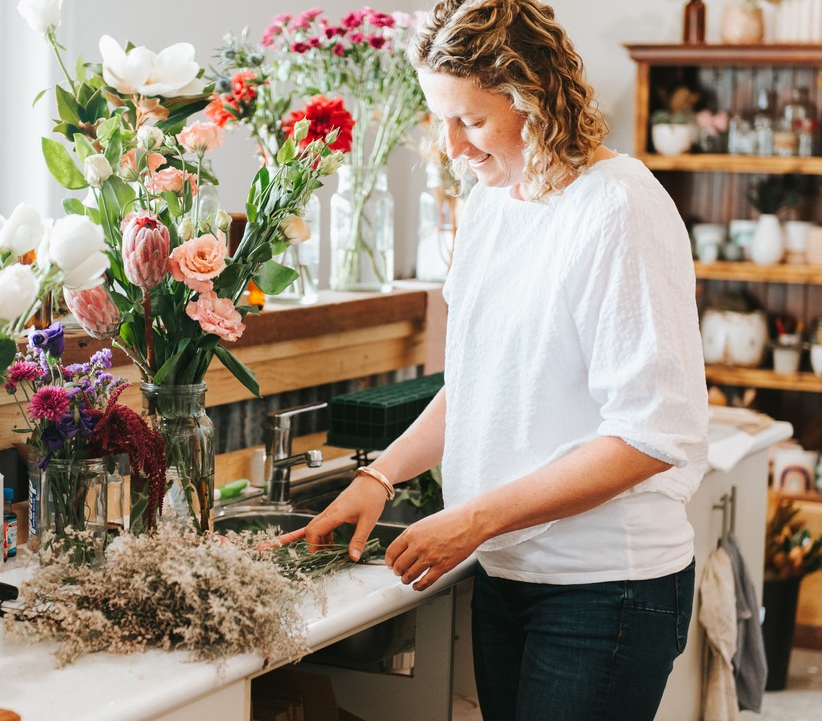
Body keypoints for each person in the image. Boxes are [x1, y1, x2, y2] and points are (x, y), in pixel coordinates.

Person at [277, 1, 709, 719]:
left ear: (534, 98)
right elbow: (477, 383)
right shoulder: (491, 204)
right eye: (440, 119)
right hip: (510, 571)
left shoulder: (619, 207)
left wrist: (473, 519)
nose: (451, 146)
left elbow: (650, 435)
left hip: (608, 590)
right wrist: (381, 475)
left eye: (471, 121)